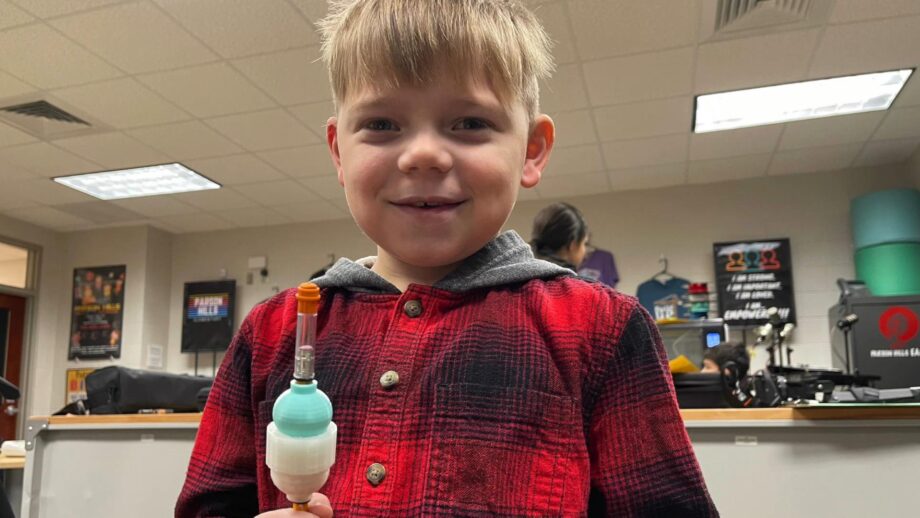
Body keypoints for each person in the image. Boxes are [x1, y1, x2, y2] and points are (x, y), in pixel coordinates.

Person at [176, 1, 717, 516]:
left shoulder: (603, 331)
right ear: (340, 151)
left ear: (531, 150)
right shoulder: (273, 332)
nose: (424, 155)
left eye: (469, 123)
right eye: (383, 124)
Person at [530, 202, 590, 270]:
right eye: (585, 243)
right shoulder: (571, 280)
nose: (586, 252)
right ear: (572, 245)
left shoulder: (521, 274)